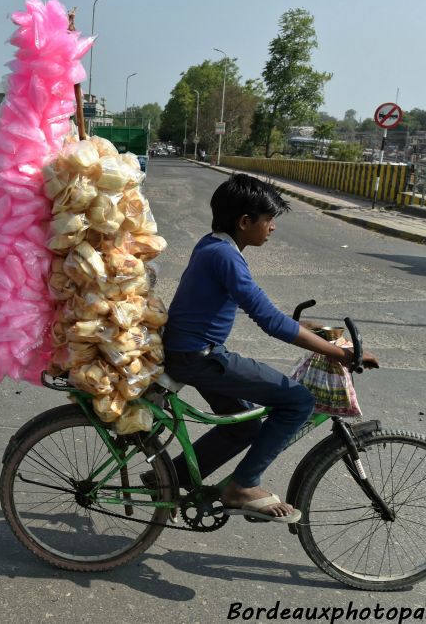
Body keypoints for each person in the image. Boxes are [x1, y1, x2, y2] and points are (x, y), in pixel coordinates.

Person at [161, 174, 378, 523]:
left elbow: (269, 312)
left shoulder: (214, 246)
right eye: (269, 219)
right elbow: (272, 323)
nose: (273, 227)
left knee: (243, 427)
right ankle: (243, 485)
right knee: (298, 401)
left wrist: (332, 335)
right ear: (245, 222)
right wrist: (341, 355)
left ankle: (167, 479)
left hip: (191, 354)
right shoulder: (225, 257)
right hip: (202, 358)